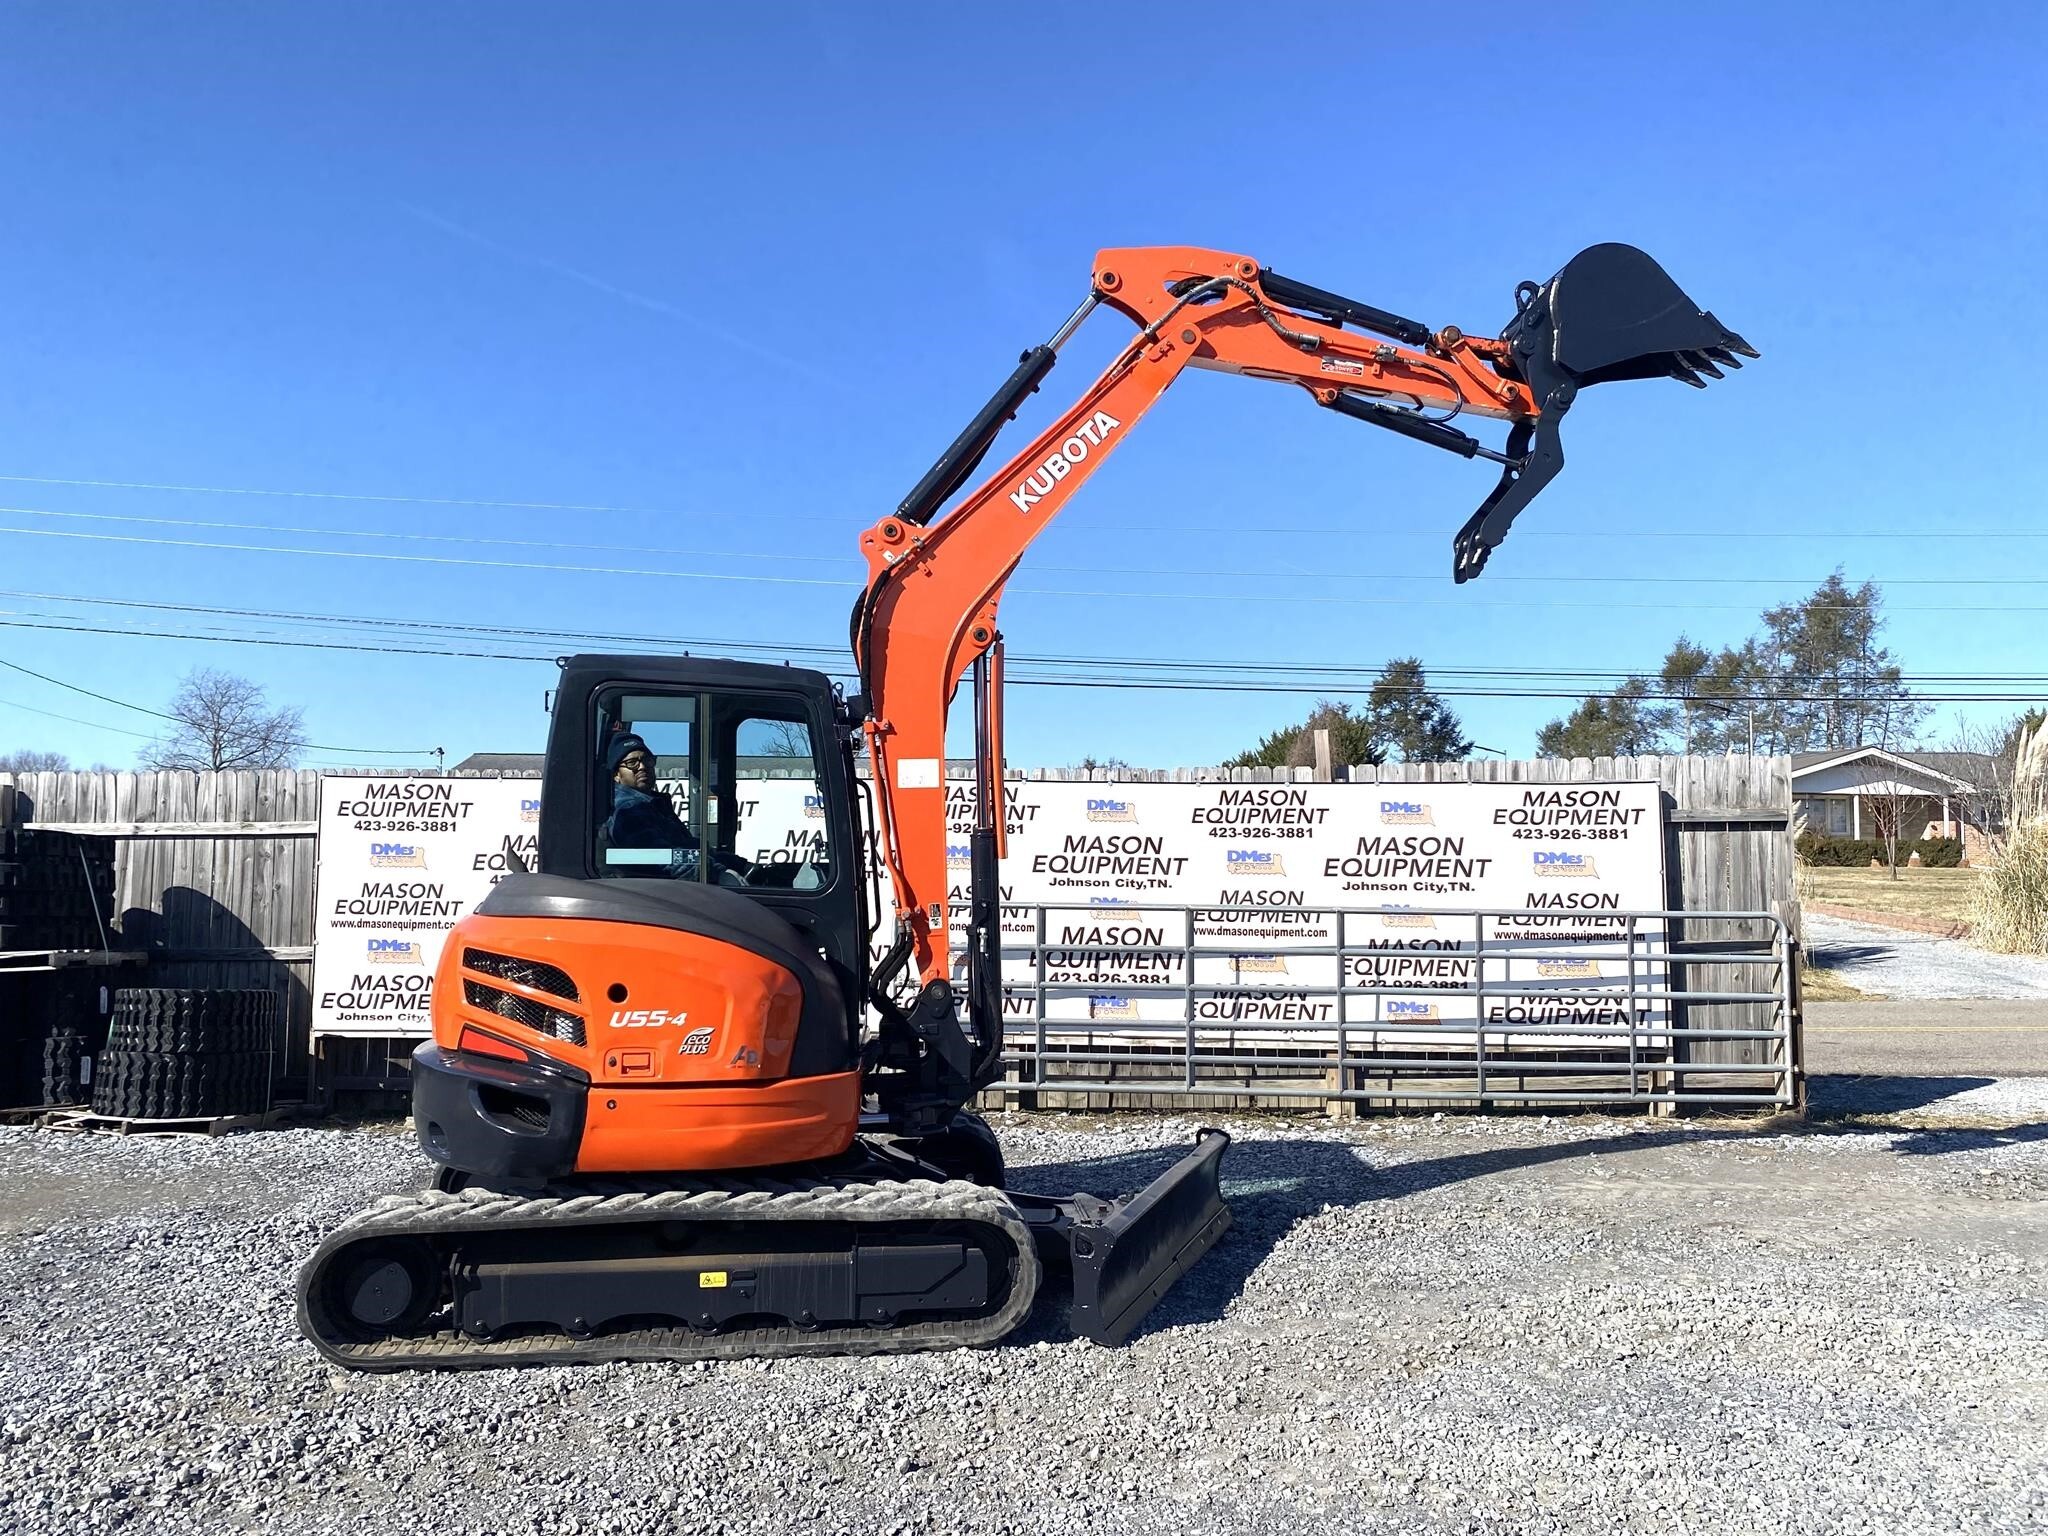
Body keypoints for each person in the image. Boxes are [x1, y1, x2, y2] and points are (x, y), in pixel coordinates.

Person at [602, 732, 750, 885]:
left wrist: (740, 865)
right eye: (632, 763)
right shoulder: (628, 810)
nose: (642, 767)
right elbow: (661, 856)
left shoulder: (654, 805)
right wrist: (716, 874)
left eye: (647, 760)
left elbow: (687, 851)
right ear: (616, 775)